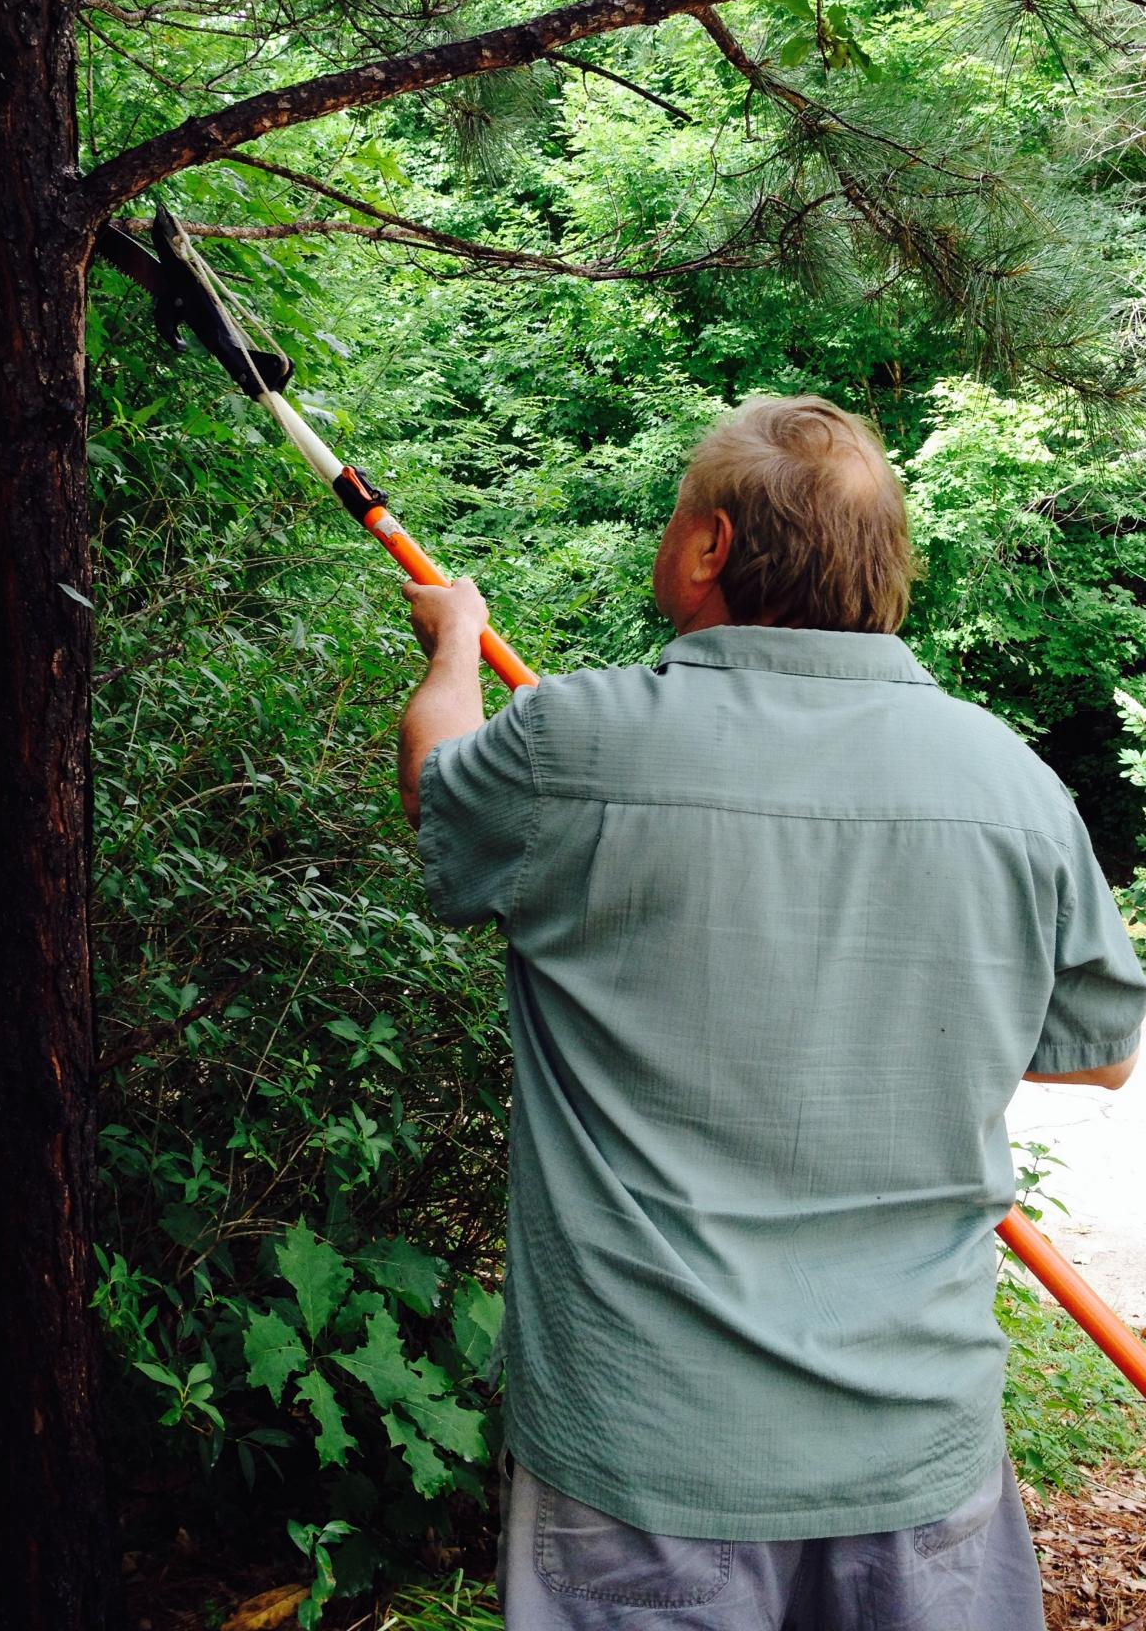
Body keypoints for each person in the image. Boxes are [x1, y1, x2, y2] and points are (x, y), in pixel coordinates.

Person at [396, 395, 1145, 1631]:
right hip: (917, 1451)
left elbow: (434, 789)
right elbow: (1100, 1058)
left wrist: (451, 642)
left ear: (710, 547)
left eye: (678, 514)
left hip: (643, 1455)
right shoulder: (1011, 783)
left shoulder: (571, 746)